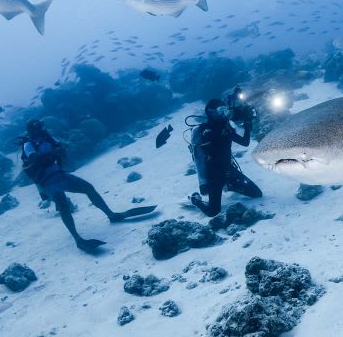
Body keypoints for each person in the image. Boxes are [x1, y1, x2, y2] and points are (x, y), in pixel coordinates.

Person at [19, 119, 156, 252]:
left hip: (60, 175)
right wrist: (54, 152)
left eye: (41, 127)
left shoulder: (47, 138)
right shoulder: (28, 144)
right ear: (32, 131)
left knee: (88, 188)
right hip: (47, 181)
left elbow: (61, 148)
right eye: (37, 128)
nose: (41, 130)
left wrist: (61, 149)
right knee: (63, 207)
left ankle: (112, 215)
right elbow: (34, 158)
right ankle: (78, 239)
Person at [189, 87, 262, 216]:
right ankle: (195, 200)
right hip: (214, 175)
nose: (224, 113)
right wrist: (203, 183)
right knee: (213, 211)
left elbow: (245, 142)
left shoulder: (226, 127)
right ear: (211, 112)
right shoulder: (204, 131)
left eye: (225, 110)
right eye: (220, 110)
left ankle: (231, 185)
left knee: (257, 194)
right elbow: (199, 159)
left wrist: (247, 122)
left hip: (229, 171)